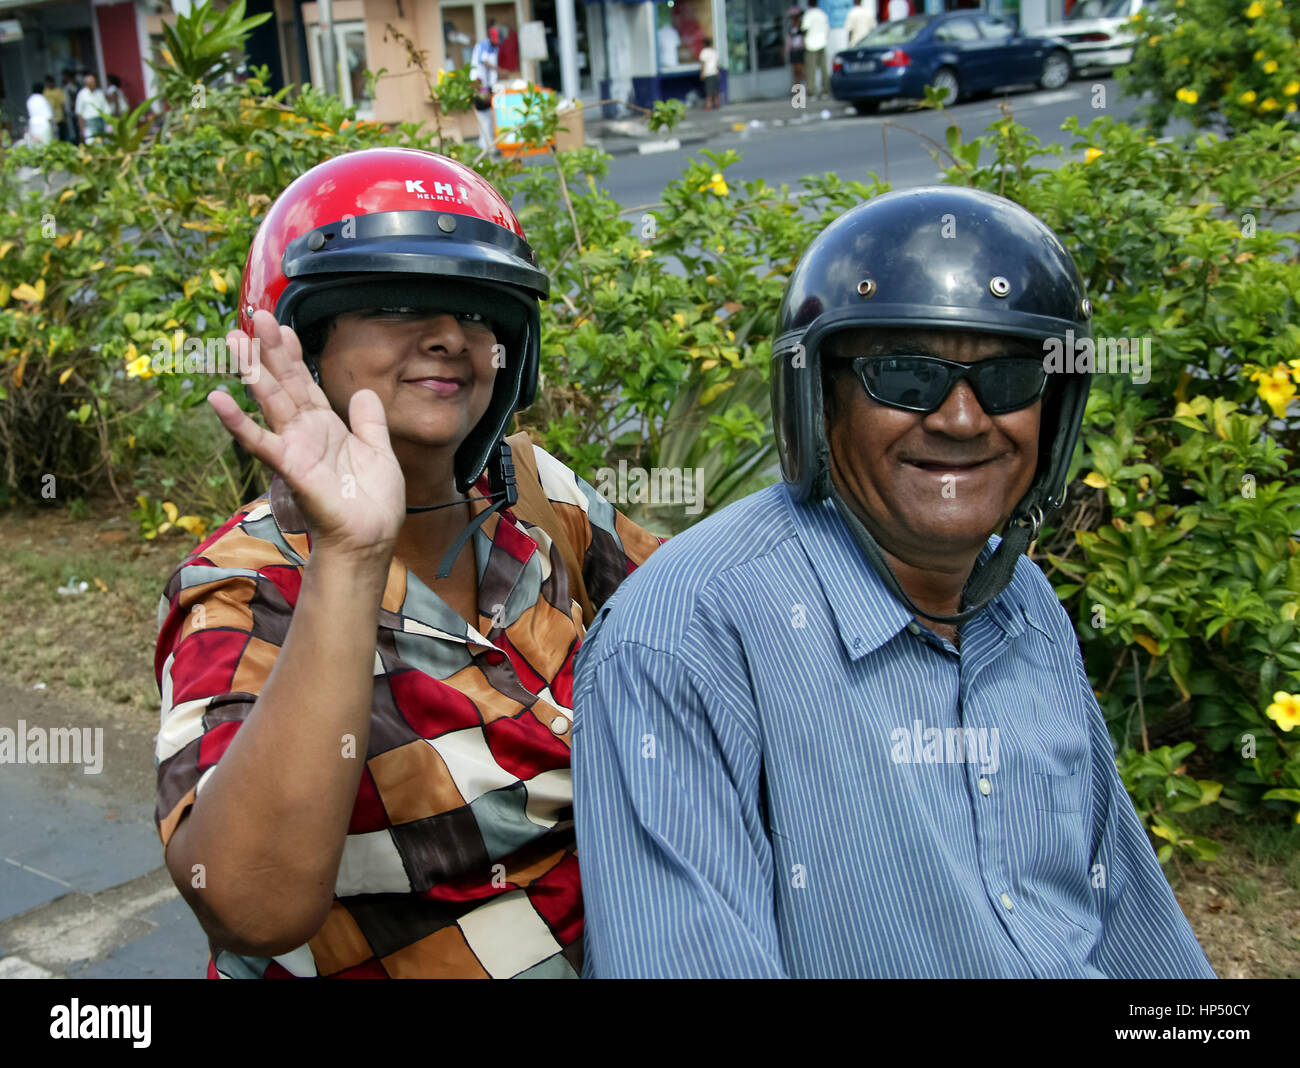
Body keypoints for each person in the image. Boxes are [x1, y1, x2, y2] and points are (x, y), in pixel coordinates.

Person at [571, 186, 1218, 980]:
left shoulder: (1024, 604)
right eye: (907, 377)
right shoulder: (683, 642)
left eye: (1009, 379)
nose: (961, 419)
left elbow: (1126, 920)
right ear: (821, 403)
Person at [153, 148, 662, 978]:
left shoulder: (533, 492)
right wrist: (351, 557)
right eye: (395, 303)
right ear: (305, 344)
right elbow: (250, 904)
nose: (450, 337)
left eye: (475, 309)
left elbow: (694, 617)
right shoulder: (242, 589)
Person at [801, 0, 830, 101]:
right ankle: (825, 90)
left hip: (811, 44)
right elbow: (827, 28)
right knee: (824, 68)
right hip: (822, 42)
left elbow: (805, 28)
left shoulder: (808, 14)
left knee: (811, 69)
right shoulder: (822, 14)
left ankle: (812, 92)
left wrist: (803, 39)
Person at [75, 73, 109, 143]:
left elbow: (106, 109)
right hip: (89, 122)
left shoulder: (99, 93)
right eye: (90, 83)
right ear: (86, 84)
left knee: (103, 142)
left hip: (100, 120)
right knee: (92, 142)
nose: (92, 84)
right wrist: (82, 130)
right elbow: (79, 113)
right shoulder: (82, 94)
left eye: (93, 82)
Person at [785, 6, 806, 92]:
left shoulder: (802, 24)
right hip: (793, 50)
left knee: (801, 70)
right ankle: (796, 90)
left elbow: (804, 36)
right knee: (795, 72)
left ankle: (809, 88)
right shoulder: (791, 26)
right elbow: (789, 39)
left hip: (800, 49)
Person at [42, 76, 67, 143]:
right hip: (50, 118)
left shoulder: (58, 90)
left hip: (59, 116)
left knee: (62, 136)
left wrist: (64, 115)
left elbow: (62, 104)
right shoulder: (45, 92)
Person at [698, 36, 721, 110]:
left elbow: (703, 63)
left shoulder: (704, 52)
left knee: (708, 90)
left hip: (708, 73)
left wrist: (702, 72)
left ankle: (709, 105)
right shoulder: (713, 51)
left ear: (704, 44)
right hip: (714, 72)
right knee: (716, 89)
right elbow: (717, 63)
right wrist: (718, 72)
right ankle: (717, 103)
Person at [60, 71, 81, 143]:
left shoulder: (70, 88)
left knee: (76, 132)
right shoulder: (72, 87)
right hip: (72, 113)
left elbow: (72, 102)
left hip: (74, 113)